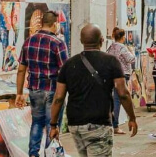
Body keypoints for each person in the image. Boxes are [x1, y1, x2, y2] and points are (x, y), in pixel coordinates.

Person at [50, 24, 138, 157]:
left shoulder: (69, 64)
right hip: (99, 124)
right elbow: (123, 94)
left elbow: (58, 98)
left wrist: (53, 125)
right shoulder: (111, 61)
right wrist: (132, 117)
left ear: (81, 41)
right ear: (102, 40)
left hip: (75, 125)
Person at [15, 11, 69, 157]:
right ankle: (49, 154)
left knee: (36, 122)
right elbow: (65, 70)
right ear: (55, 24)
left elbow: (21, 70)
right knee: (52, 125)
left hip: (35, 90)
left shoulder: (29, 41)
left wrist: (19, 93)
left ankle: (33, 154)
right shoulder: (58, 43)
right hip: (53, 90)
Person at [106, 28, 136, 135]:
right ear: (123, 37)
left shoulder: (111, 47)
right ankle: (115, 126)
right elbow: (131, 59)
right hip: (122, 75)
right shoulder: (123, 47)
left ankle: (112, 124)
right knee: (118, 100)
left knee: (113, 100)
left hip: (111, 76)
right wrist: (132, 52)